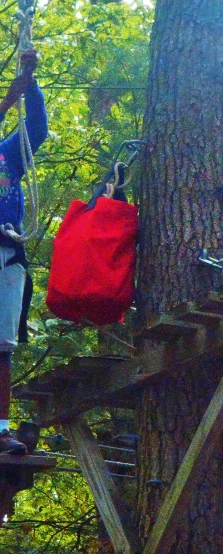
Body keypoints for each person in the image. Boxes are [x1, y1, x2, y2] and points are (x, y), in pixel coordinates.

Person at [0, 49, 48, 455]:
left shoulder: (6, 155)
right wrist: (8, 98)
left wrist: (30, 86)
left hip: (8, 252)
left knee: (2, 348)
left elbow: (37, 128)